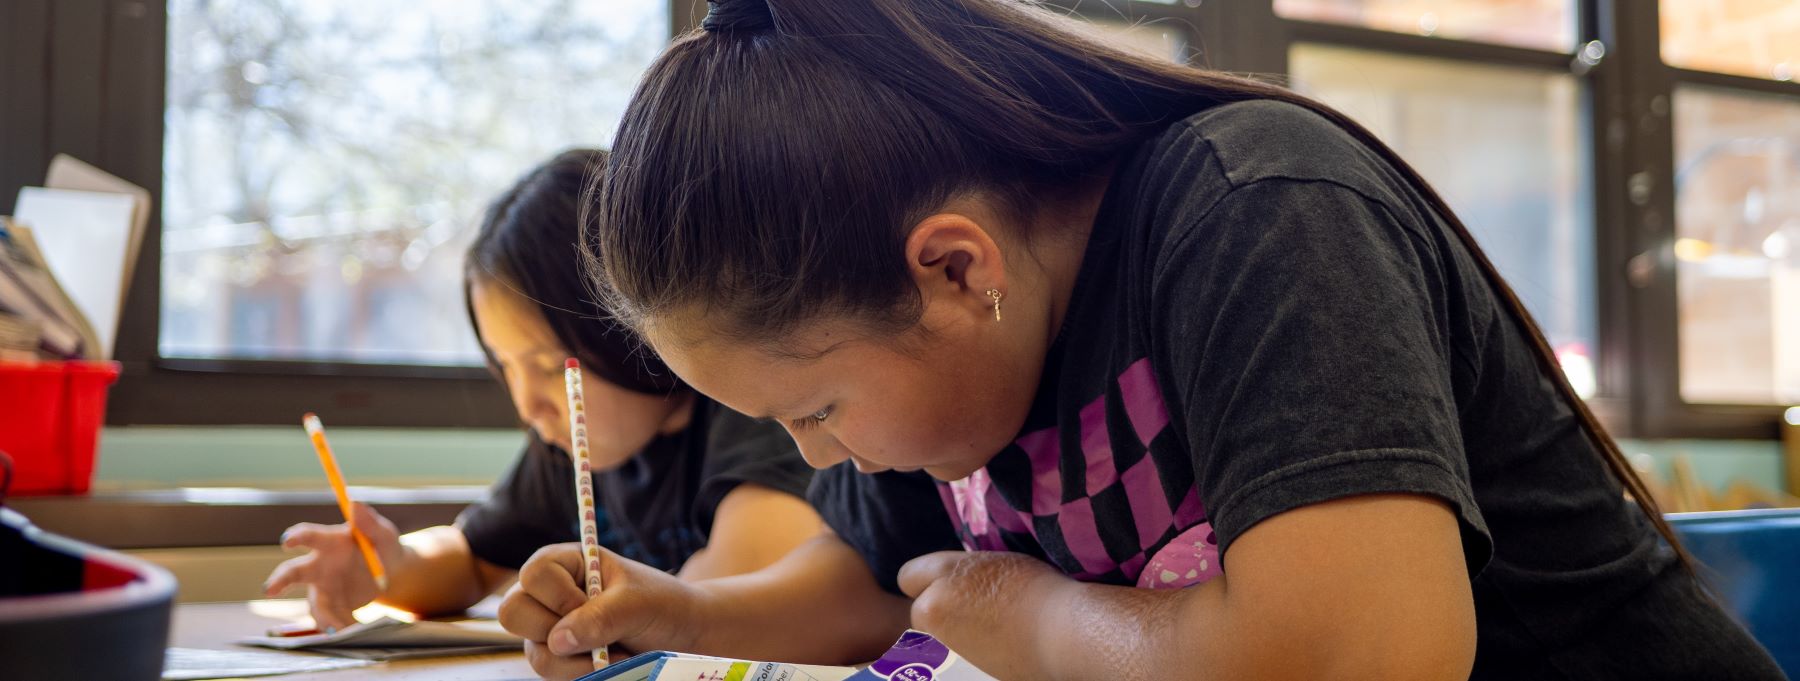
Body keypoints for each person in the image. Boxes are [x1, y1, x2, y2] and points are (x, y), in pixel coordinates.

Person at [499, 2, 1786, 680]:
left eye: (818, 408)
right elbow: (870, 585)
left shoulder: (1255, 212)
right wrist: (672, 610)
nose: (811, 451)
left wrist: (1045, 625)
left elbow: (1366, 657)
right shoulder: (958, 387)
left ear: (957, 268)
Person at [264, 149, 822, 631]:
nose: (527, 406)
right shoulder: (572, 442)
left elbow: (735, 583)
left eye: (550, 366)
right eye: (507, 366)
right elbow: (475, 557)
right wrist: (391, 567)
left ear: (634, 320)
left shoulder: (751, 410)